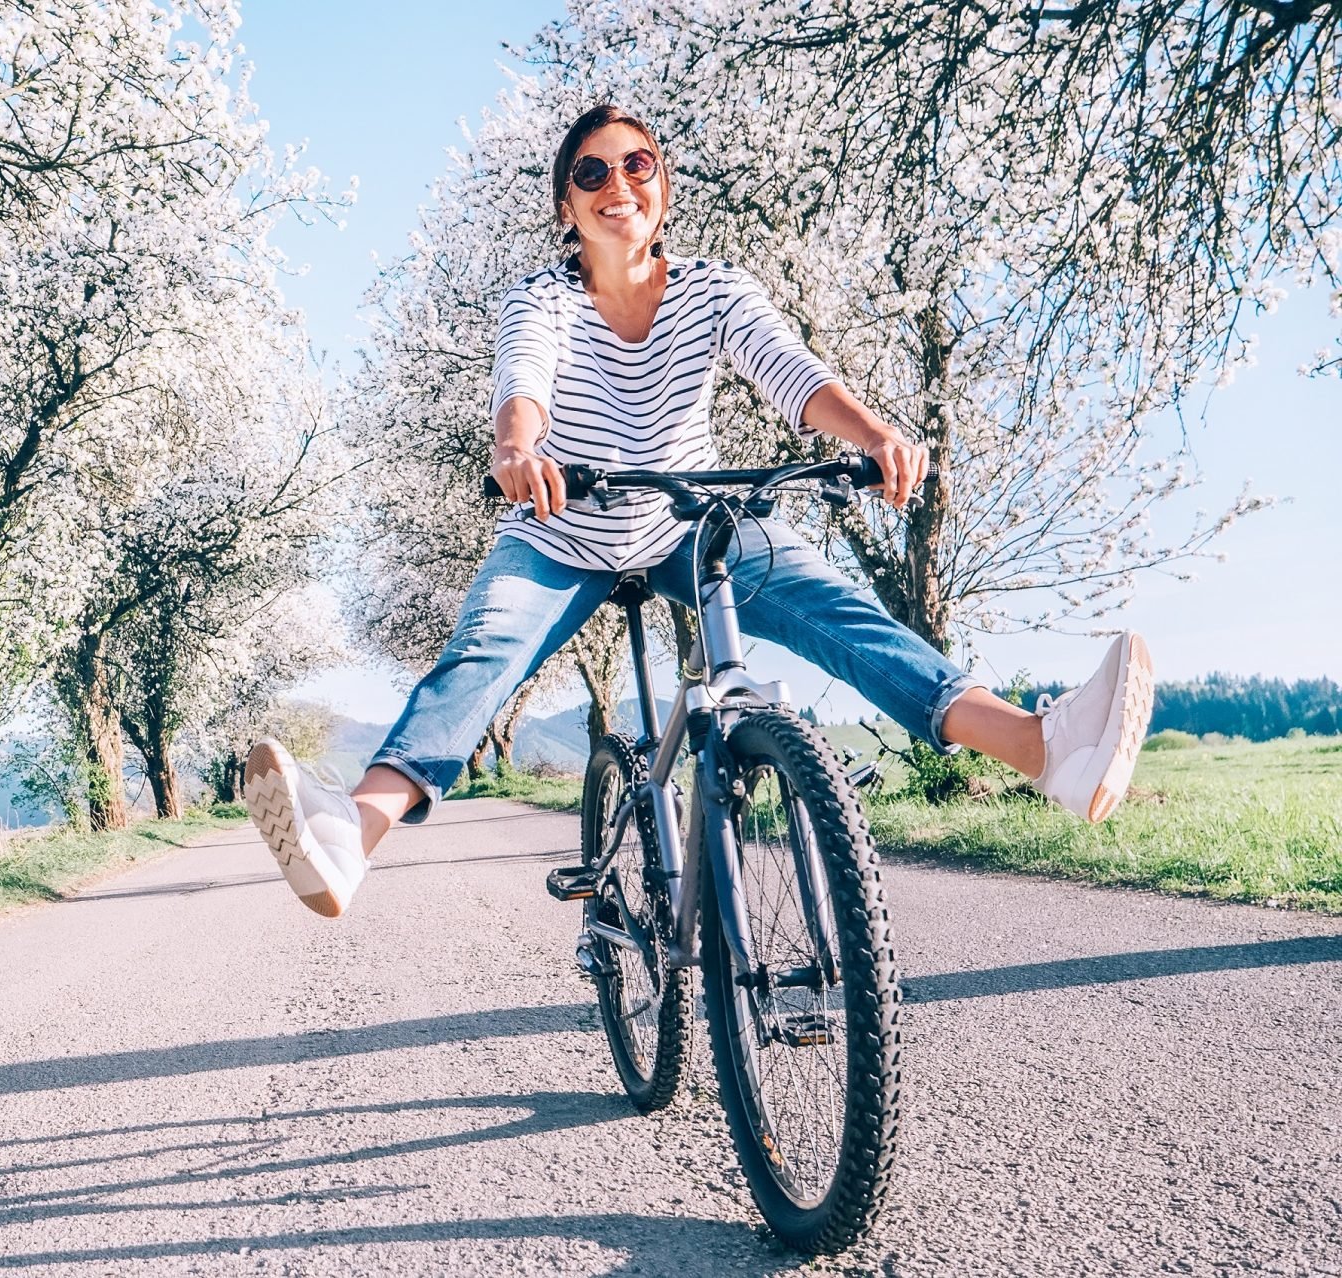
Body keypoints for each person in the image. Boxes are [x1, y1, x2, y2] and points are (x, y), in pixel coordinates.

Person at [244, 104, 1154, 919]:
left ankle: (1044, 750)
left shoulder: (715, 289)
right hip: (564, 530)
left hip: (691, 521)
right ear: (568, 206)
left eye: (637, 165)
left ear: (663, 189)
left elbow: (789, 369)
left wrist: (874, 434)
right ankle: (349, 838)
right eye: (592, 173)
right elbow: (523, 385)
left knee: (841, 613)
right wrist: (518, 450)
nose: (617, 185)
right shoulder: (544, 299)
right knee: (481, 656)